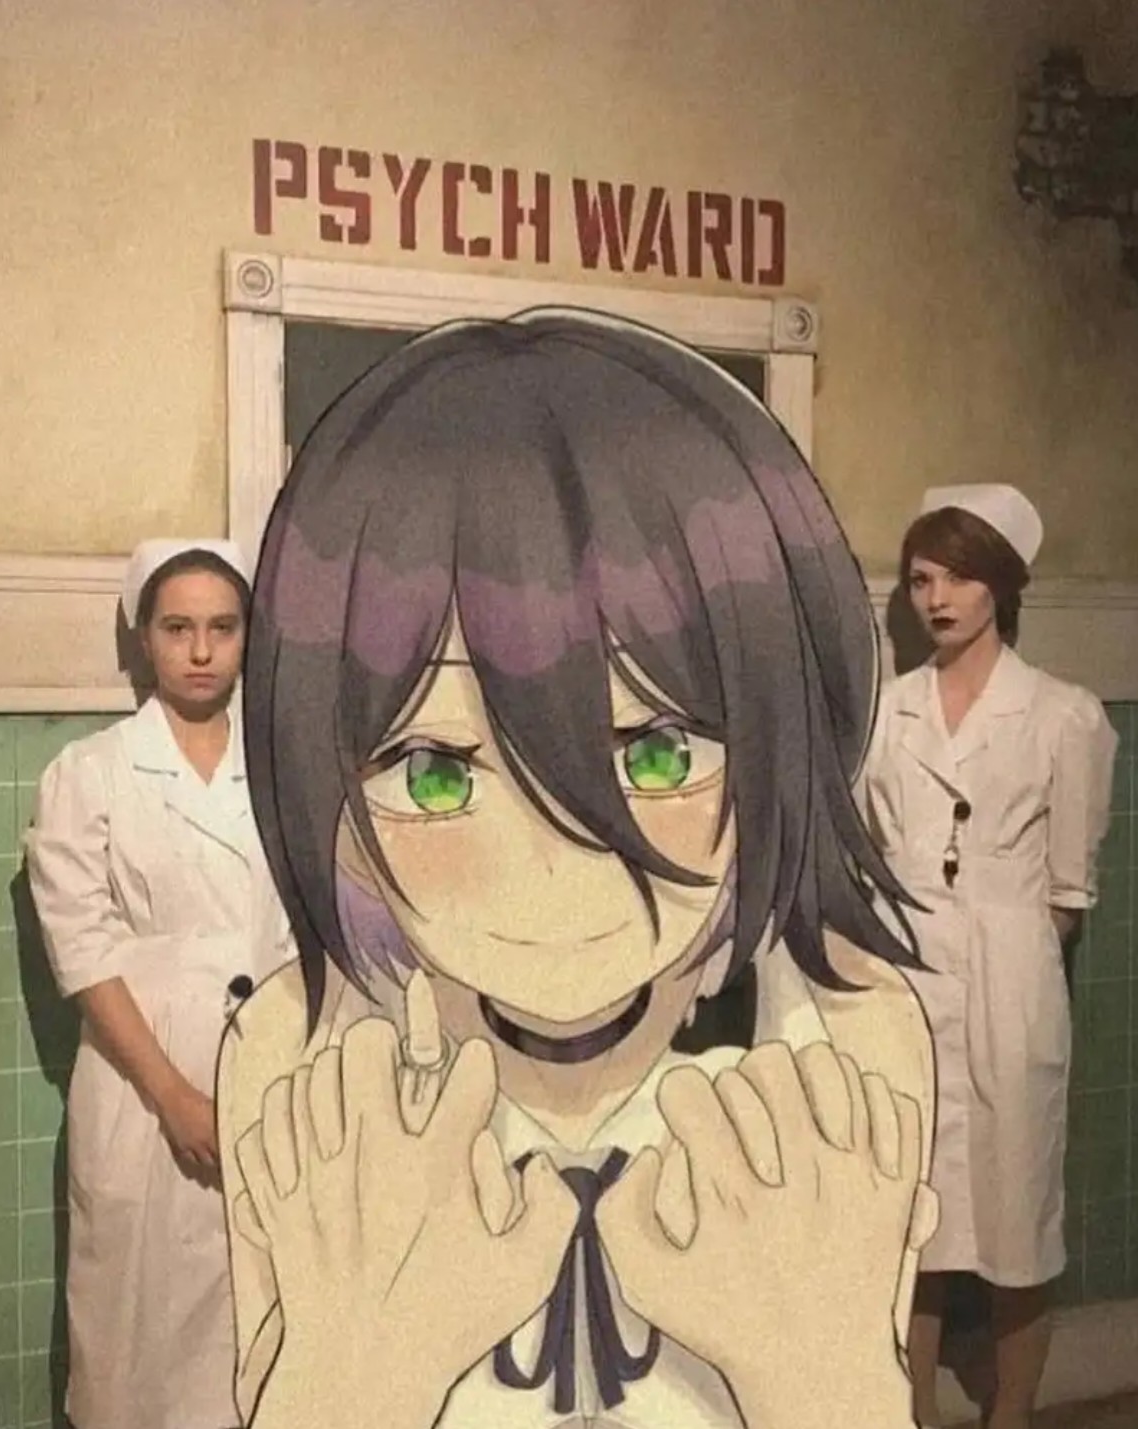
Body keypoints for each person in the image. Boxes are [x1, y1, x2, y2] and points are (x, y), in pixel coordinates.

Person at [216, 308, 943, 1429]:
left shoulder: (840, 1034)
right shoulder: (305, 1052)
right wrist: (357, 1372)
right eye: (434, 773)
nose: (556, 870)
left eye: (658, 754)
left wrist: (817, 1375)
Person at [862, 484, 1118, 1429]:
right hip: (906, 989)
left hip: (1012, 988)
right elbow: (871, 852)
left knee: (1018, 1222)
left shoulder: (1063, 716)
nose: (938, 598)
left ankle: (1011, 1414)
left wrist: (1001, 960)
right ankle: (913, 1412)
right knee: (912, 1222)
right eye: (922, 579)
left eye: (960, 577)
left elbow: (1066, 895)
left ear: (1000, 586)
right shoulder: (887, 713)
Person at [25, 538, 296, 1429]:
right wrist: (173, 1094)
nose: (202, 650)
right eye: (178, 628)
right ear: (145, 638)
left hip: (272, 1067)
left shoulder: (284, 769)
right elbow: (83, 950)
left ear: (249, 634)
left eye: (223, 627)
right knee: (142, 1348)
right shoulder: (91, 773)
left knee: (260, 1337)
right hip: (144, 1079)